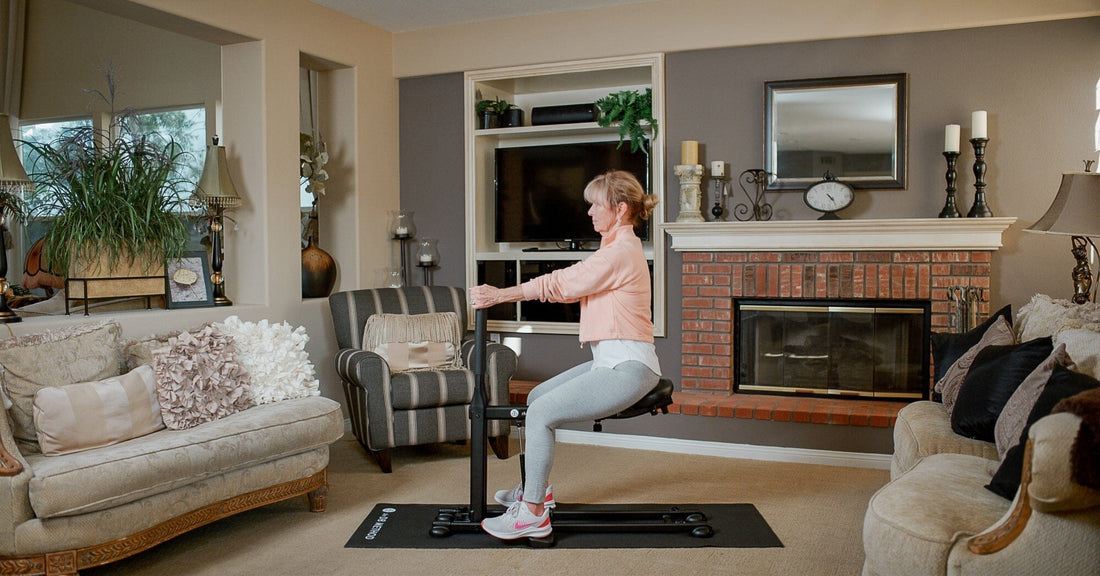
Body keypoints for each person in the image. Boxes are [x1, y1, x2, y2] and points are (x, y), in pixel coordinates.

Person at [469, 170, 661, 540]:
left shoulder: (620, 252)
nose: (588, 211)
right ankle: (536, 489)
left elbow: (564, 283)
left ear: (620, 209)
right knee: (538, 398)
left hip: (628, 368)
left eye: (595, 204)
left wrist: (501, 295)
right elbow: (570, 284)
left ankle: (532, 513)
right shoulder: (615, 247)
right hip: (612, 361)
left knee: (540, 412)